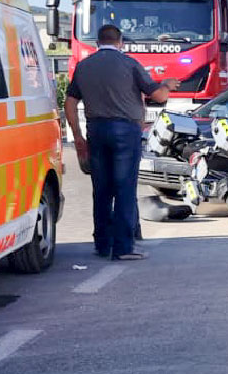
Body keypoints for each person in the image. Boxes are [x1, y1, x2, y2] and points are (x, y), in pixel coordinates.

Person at [64, 24, 180, 260]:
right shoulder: (129, 64)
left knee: (102, 190)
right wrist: (167, 85)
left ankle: (102, 244)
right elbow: (157, 95)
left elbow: (69, 103)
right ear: (120, 42)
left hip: (95, 130)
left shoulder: (84, 66)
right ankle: (124, 248)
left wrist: (77, 136)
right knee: (125, 188)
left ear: (98, 42)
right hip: (125, 132)